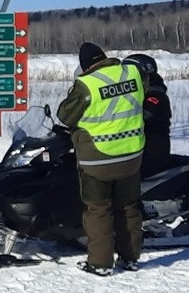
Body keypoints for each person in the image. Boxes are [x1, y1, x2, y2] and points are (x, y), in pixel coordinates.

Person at [57, 42, 145, 276]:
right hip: (131, 154)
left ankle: (100, 263)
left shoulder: (87, 84)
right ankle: (131, 257)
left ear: (85, 67)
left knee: (98, 210)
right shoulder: (132, 72)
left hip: (99, 160)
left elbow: (65, 115)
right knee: (128, 207)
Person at [123, 53, 171, 177]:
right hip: (140, 152)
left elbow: (145, 115)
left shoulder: (155, 95)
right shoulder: (141, 92)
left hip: (152, 154)